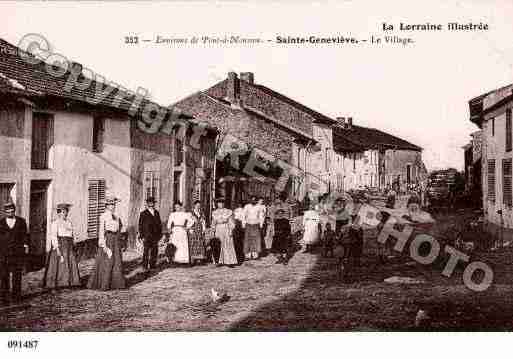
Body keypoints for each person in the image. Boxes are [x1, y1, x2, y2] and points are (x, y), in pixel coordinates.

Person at [88, 196, 126, 291]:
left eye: (113, 204)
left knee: (116, 261)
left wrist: (120, 240)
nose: (113, 206)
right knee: (107, 261)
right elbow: (101, 231)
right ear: (107, 206)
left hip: (116, 240)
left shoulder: (117, 216)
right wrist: (103, 245)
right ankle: (104, 283)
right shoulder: (103, 216)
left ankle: (116, 283)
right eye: (110, 204)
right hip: (108, 240)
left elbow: (119, 229)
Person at [43, 203, 81, 290]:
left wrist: (74, 243)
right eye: (63, 212)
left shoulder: (68, 223)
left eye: (66, 212)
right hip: (60, 245)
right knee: (60, 263)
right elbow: (53, 236)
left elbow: (72, 234)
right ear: (59, 213)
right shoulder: (55, 223)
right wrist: (57, 248)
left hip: (69, 245)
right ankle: (58, 282)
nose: (65, 214)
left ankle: (70, 282)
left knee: (70, 262)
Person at [0, 201, 29, 303]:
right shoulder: (1, 223)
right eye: (8, 212)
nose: (10, 213)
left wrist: (25, 246)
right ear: (5, 212)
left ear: (14, 211)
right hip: (4, 254)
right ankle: (4, 297)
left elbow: (25, 235)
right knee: (4, 275)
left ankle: (16, 296)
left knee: (17, 275)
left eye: (12, 211)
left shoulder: (21, 221)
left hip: (17, 253)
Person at [138, 196, 162, 271]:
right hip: (147, 235)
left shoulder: (157, 213)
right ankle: (145, 265)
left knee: (155, 250)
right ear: (147, 203)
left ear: (154, 204)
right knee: (146, 251)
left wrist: (160, 235)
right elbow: (140, 225)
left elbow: (159, 224)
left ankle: (152, 265)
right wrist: (142, 236)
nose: (151, 204)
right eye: (149, 202)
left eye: (152, 202)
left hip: (155, 235)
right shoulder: (143, 213)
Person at [212, 198, 237, 267]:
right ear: (217, 204)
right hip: (218, 229)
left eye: (222, 203)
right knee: (219, 244)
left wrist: (231, 230)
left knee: (227, 244)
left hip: (226, 228)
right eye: (219, 203)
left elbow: (231, 222)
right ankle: (219, 261)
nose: (221, 204)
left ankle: (229, 261)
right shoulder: (215, 212)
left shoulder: (228, 211)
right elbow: (213, 222)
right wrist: (213, 230)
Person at [271, 193, 292, 265]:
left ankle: (281, 258)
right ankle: (284, 259)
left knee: (278, 241)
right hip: (284, 224)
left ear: (279, 198)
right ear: (286, 198)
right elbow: (291, 216)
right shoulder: (288, 206)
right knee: (285, 241)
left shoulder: (276, 206)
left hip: (279, 224)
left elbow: (273, 216)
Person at [189, 200, 207, 265]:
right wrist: (190, 228)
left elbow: (203, 222)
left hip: (200, 230)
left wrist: (204, 229)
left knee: (200, 243)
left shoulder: (201, 213)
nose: (198, 206)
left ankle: (200, 259)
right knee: (193, 244)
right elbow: (189, 221)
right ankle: (193, 259)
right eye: (197, 205)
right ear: (194, 205)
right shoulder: (191, 213)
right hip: (194, 229)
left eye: (199, 205)